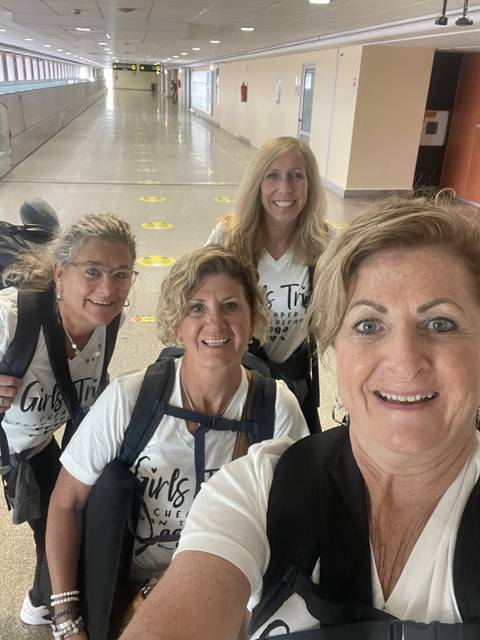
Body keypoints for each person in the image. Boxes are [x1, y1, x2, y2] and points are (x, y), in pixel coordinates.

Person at [121, 198, 480, 640]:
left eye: (441, 323)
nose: (405, 361)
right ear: (332, 346)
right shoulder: (258, 490)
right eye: (368, 325)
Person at [46, 246, 309, 640]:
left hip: (228, 596)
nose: (214, 322)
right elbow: (67, 502)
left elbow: (304, 524)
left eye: (231, 306)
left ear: (253, 316)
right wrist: (67, 618)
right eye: (196, 308)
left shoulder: (277, 409)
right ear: (176, 322)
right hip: (124, 592)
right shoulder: (131, 398)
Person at [0, 213, 136, 626]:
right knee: (55, 535)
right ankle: (44, 603)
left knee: (65, 529)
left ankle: (43, 597)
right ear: (59, 272)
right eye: (92, 271)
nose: (107, 289)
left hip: (45, 440)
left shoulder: (108, 325)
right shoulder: (10, 320)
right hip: (14, 445)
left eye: (121, 274)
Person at [207, 136, 329, 432]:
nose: (284, 188)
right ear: (257, 184)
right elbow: (194, 305)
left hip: (294, 387)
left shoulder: (325, 245)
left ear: (309, 184)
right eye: (272, 175)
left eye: (296, 176)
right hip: (235, 383)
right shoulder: (228, 237)